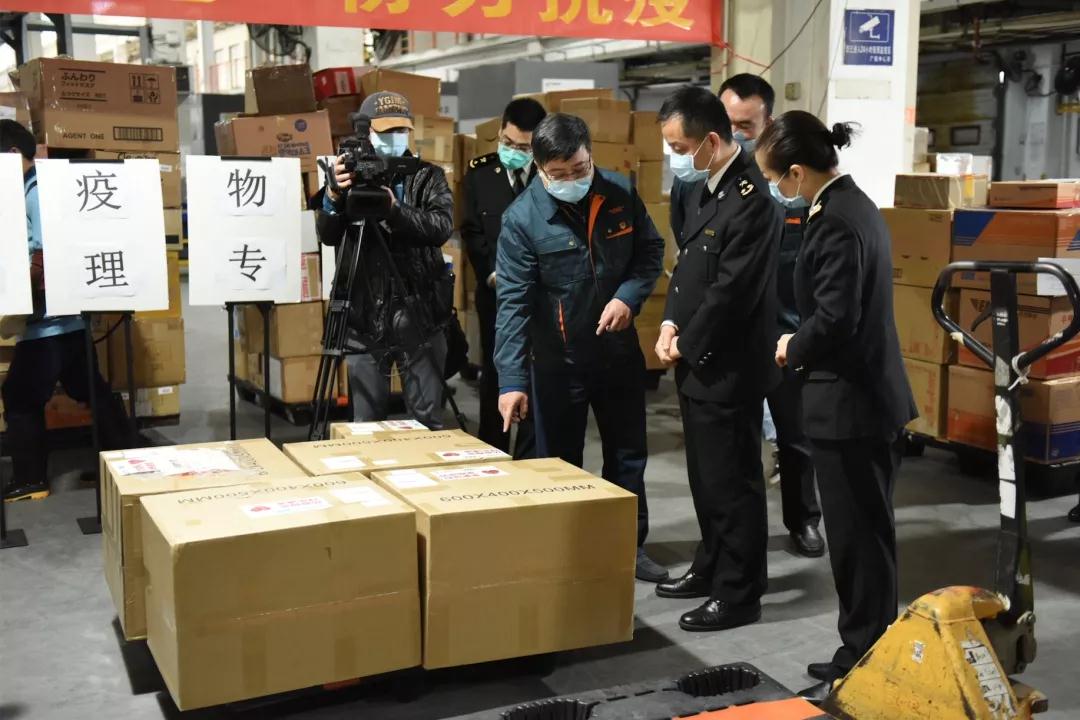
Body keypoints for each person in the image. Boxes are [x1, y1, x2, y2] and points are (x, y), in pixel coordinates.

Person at [755, 111, 917, 701]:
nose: (776, 189)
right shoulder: (851, 206)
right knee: (863, 535)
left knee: (858, 539)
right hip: (861, 399)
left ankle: (866, 656)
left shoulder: (837, 223)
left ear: (797, 173)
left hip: (852, 406)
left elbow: (835, 317)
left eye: (775, 178)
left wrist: (791, 346)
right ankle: (865, 648)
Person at [494, 113, 668, 583]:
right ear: (539, 167)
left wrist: (627, 297)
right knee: (558, 464)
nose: (572, 180)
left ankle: (627, 547)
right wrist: (511, 381)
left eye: (580, 168)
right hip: (558, 362)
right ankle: (565, 554)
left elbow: (650, 252)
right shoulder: (522, 219)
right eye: (559, 173)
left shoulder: (618, 193)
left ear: (591, 155)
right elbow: (512, 304)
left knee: (627, 456)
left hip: (617, 354)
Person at [652, 86, 781, 632]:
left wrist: (686, 342)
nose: (674, 158)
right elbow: (688, 267)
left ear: (709, 140)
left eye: (679, 148)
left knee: (733, 484)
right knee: (706, 479)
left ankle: (739, 591)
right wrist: (668, 322)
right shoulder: (707, 185)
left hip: (728, 364)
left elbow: (733, 291)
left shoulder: (752, 197)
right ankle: (711, 565)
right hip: (697, 359)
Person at [0, 119, 134, 502]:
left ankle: (30, 480)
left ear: (13, 154)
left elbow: (45, 254)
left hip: (50, 322)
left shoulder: (36, 193)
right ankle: (125, 464)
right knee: (91, 388)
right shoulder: (37, 188)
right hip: (67, 318)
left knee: (20, 396)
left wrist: (15, 289)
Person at [719, 73, 824, 558]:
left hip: (785, 331)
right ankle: (740, 533)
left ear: (769, 121)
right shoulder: (714, 178)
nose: (736, 133)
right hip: (733, 331)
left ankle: (804, 520)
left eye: (746, 124)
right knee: (735, 440)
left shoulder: (793, 182)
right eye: (729, 122)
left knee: (795, 436)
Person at [317, 92, 455, 429]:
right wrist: (333, 196)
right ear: (367, 132)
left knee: (427, 420)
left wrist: (394, 209)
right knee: (365, 424)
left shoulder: (428, 176)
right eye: (387, 131)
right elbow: (328, 235)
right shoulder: (346, 174)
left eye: (401, 131)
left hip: (420, 312)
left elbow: (441, 228)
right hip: (364, 313)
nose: (395, 138)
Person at [461, 98, 546, 458]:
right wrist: (492, 273)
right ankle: (492, 448)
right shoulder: (480, 175)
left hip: (541, 295)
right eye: (508, 143)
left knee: (536, 372)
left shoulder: (550, 177)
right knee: (497, 370)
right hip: (495, 292)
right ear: (499, 133)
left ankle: (530, 452)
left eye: (523, 148)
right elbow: (472, 231)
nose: (513, 151)